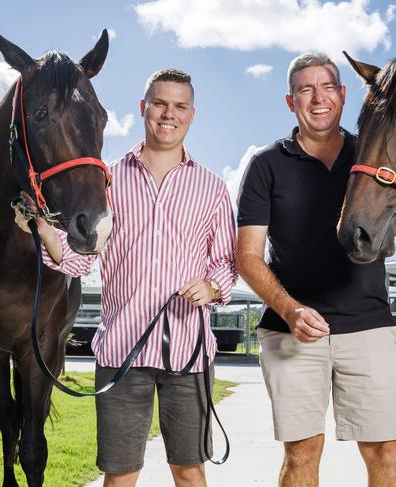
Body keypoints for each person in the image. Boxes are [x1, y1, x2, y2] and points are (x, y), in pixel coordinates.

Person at [235, 52, 396, 487]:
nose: (317, 98)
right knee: (302, 453)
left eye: (326, 88)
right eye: (305, 90)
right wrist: (289, 309)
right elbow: (246, 255)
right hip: (292, 331)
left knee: (385, 452)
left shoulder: (375, 150)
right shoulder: (267, 164)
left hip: (368, 327)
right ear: (290, 101)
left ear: (342, 95)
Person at [15, 68, 237, 487]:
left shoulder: (212, 188)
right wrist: (43, 229)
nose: (168, 114)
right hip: (122, 354)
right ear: (143, 108)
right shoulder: (106, 181)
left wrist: (211, 287)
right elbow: (81, 261)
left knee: (190, 473)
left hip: (188, 354)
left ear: (191, 115)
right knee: (119, 476)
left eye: (179, 106)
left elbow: (226, 262)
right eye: (160, 103)